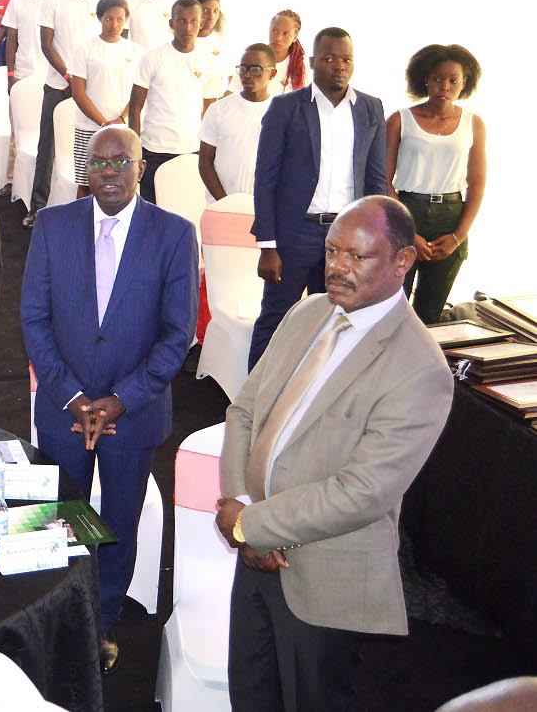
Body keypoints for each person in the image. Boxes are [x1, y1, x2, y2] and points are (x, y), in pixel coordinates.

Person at [216, 195, 453, 711]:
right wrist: (238, 503)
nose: (337, 267)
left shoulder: (420, 368)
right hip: (255, 563)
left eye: (357, 257)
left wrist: (252, 525)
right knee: (251, 697)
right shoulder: (308, 312)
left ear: (402, 261)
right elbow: (244, 412)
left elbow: (362, 493)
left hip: (325, 585)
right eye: (331, 252)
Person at [21, 124, 197, 674]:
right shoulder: (52, 226)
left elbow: (178, 334)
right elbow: (34, 320)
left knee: (117, 524)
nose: (110, 173)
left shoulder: (173, 234)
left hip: (133, 416)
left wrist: (121, 400)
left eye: (122, 162)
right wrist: (74, 397)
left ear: (141, 167)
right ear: (85, 171)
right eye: (98, 164)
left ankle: (100, 622)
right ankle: (52, 617)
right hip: (62, 409)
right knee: (57, 518)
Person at [248, 27, 387, 371]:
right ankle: (254, 404)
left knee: (335, 320)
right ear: (311, 62)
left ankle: (310, 403)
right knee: (277, 318)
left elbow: (376, 181)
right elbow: (265, 180)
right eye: (329, 58)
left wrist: (376, 241)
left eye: (346, 59)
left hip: (345, 239)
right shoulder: (286, 108)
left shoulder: (370, 109)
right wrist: (268, 244)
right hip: (295, 235)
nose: (338, 66)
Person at [386, 43, 486, 325]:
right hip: (405, 212)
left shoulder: (473, 123)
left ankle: (424, 369)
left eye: (453, 80)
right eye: (438, 79)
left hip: (451, 217)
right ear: (426, 79)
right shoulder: (400, 119)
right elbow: (383, 179)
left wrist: (458, 237)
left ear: (464, 83)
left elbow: (477, 184)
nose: (445, 86)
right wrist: (409, 233)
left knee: (430, 315)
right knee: (392, 310)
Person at [22, 0, 100, 229]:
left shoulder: (95, 5)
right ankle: (37, 207)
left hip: (88, 90)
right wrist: (69, 77)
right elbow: (46, 45)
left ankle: (87, 210)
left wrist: (83, 83)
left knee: (87, 147)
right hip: (58, 85)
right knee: (48, 148)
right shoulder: (54, 1)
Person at [126, 0, 220, 204]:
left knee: (186, 210)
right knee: (152, 211)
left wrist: (208, 153)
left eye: (193, 21)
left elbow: (210, 112)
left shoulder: (209, 62)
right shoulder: (152, 57)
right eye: (182, 21)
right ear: (171, 23)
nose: (188, 27)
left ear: (201, 22)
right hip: (154, 149)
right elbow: (135, 108)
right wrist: (135, 151)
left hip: (191, 151)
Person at [68, 0, 139, 198]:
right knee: (87, 182)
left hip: (123, 128)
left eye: (119, 19)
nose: (114, 24)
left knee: (121, 184)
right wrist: (103, 123)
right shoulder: (85, 49)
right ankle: (81, 227)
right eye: (109, 18)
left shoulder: (135, 51)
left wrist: (122, 119)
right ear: (100, 18)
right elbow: (78, 93)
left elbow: (139, 92)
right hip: (89, 127)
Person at [198, 44, 276, 200]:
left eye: (255, 69)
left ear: (272, 73)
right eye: (243, 68)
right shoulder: (218, 109)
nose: (247, 75)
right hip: (220, 206)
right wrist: (226, 203)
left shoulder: (282, 113)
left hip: (264, 211)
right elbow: (205, 162)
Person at [0, 0, 49, 90]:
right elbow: (11, 40)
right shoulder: (17, 0)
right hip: (21, 73)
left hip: (48, 75)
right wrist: (10, 74)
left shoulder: (55, 3)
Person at [266, 9, 308, 95]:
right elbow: (232, 98)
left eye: (285, 34)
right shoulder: (252, 59)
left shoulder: (301, 70)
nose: (278, 38)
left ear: (295, 37)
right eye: (275, 31)